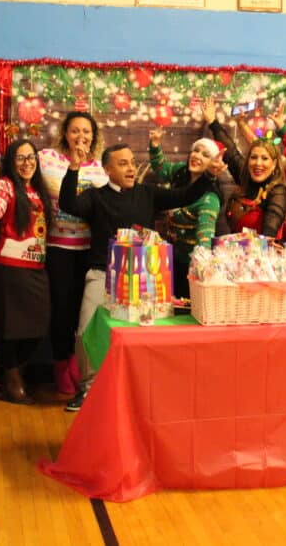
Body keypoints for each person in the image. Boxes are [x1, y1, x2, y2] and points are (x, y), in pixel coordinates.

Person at [59, 143, 221, 411]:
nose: (131, 168)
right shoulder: (95, 197)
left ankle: (143, 391)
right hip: (103, 275)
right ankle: (88, 388)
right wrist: (74, 168)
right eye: (123, 164)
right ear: (107, 169)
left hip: (144, 279)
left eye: (133, 162)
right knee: (86, 330)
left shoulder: (147, 194)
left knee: (145, 335)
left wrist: (210, 176)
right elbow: (68, 203)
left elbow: (185, 195)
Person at [38, 112, 108, 396]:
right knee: (62, 312)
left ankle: (80, 365)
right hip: (58, 248)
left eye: (87, 132)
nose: (82, 137)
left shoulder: (101, 169)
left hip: (88, 250)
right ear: (65, 134)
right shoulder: (48, 159)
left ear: (94, 136)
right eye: (75, 131)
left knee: (85, 313)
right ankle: (61, 364)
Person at [0, 139, 52, 404]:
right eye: (21, 158)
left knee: (37, 326)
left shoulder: (38, 190)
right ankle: (12, 383)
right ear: (11, 162)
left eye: (31, 157)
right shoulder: (5, 185)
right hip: (10, 267)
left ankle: (14, 377)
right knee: (11, 328)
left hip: (37, 267)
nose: (27, 163)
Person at [147, 129, 224, 298]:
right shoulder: (181, 173)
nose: (197, 156)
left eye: (205, 155)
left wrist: (201, 268)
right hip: (169, 258)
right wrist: (155, 145)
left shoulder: (209, 198)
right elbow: (161, 168)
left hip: (189, 267)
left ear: (213, 165)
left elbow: (204, 237)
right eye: (196, 150)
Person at [204, 99, 286, 238]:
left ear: (274, 164)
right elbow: (230, 151)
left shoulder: (278, 191)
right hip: (236, 254)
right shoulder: (245, 177)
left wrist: (263, 245)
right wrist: (212, 121)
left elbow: (271, 225)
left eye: (265, 158)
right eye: (253, 157)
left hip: (263, 256)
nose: (258, 163)